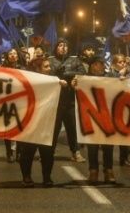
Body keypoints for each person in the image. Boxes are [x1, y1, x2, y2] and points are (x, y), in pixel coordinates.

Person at [18, 57, 67, 187]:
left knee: (48, 151)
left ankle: (47, 177)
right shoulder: (28, 81)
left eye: (49, 66)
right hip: (32, 121)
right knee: (28, 150)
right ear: (38, 68)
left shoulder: (55, 82)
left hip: (48, 122)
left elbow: (62, 103)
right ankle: (27, 177)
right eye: (46, 66)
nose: (49, 68)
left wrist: (63, 87)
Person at [80, 55, 117, 184]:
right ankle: (93, 171)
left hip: (107, 115)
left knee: (108, 145)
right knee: (93, 145)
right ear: (91, 66)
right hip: (91, 115)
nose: (99, 66)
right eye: (96, 64)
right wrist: (75, 85)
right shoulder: (84, 79)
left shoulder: (110, 77)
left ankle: (108, 171)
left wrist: (123, 81)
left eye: (101, 64)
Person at [48, 38, 87, 162]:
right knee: (53, 128)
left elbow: (82, 73)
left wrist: (66, 73)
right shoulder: (50, 60)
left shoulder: (74, 60)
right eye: (60, 45)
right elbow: (45, 74)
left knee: (72, 128)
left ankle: (75, 152)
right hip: (55, 101)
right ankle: (49, 152)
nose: (63, 47)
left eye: (65, 45)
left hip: (70, 100)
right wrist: (56, 74)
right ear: (56, 47)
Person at [0, 47, 27, 163]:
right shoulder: (2, 68)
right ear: (7, 56)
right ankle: (9, 152)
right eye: (10, 53)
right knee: (8, 128)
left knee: (19, 128)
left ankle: (19, 152)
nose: (13, 55)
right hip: (7, 102)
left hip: (20, 102)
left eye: (15, 53)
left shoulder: (23, 68)